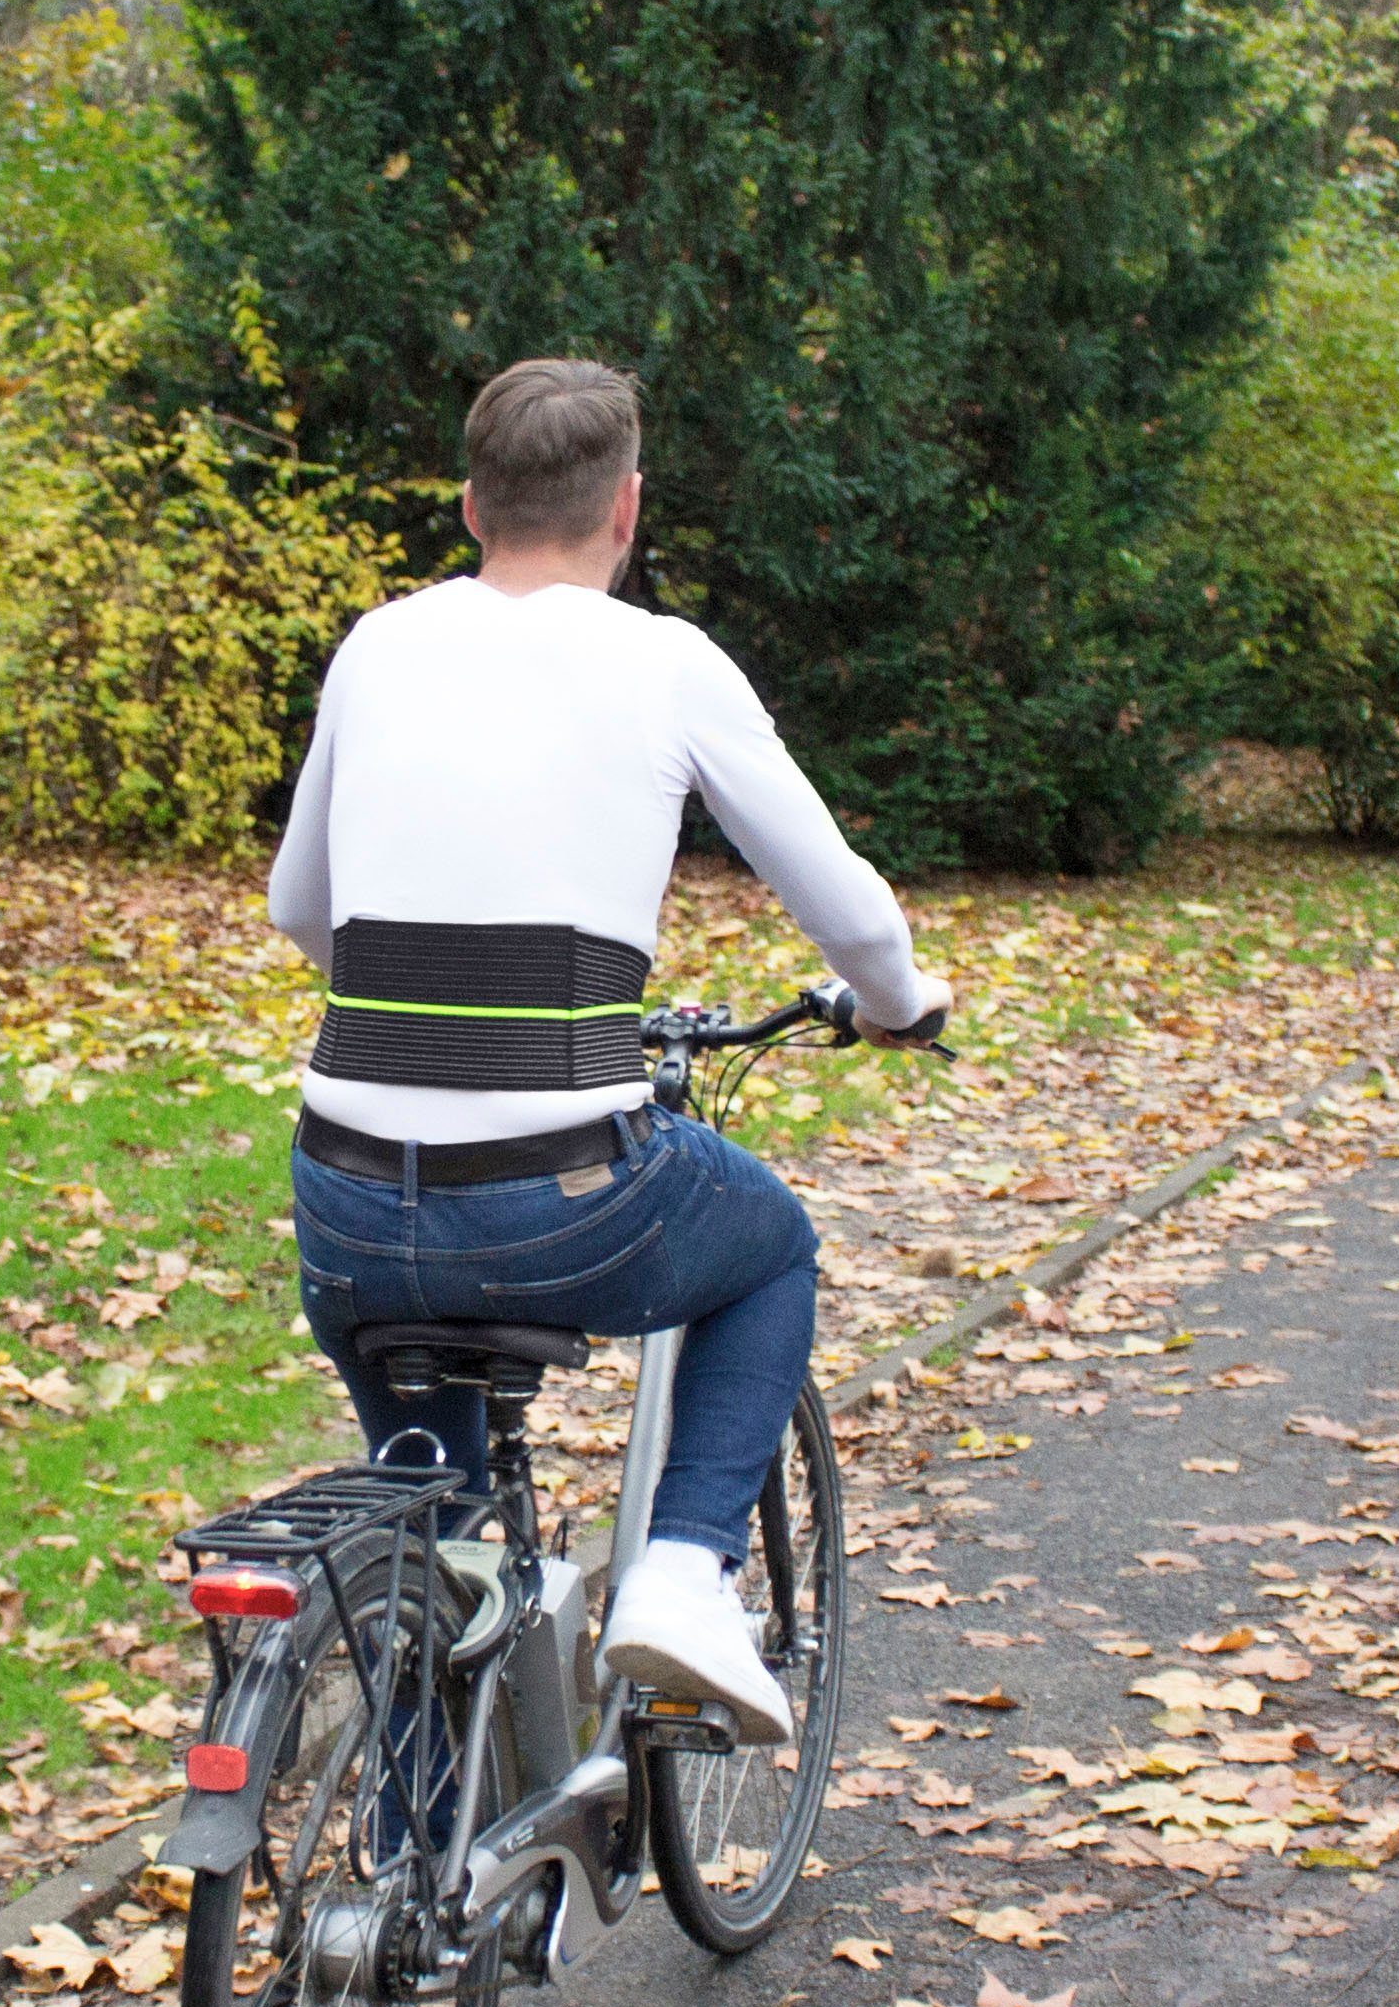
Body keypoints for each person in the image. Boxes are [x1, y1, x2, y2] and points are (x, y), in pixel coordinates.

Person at [264, 357, 951, 1744]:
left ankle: (404, 1896)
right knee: (768, 1250)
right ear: (626, 509)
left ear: (471, 506)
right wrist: (896, 998)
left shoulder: (379, 644)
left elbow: (299, 909)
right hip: (552, 1199)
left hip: (342, 1197)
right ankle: (688, 1578)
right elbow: (848, 910)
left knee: (437, 1537)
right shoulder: (667, 662)